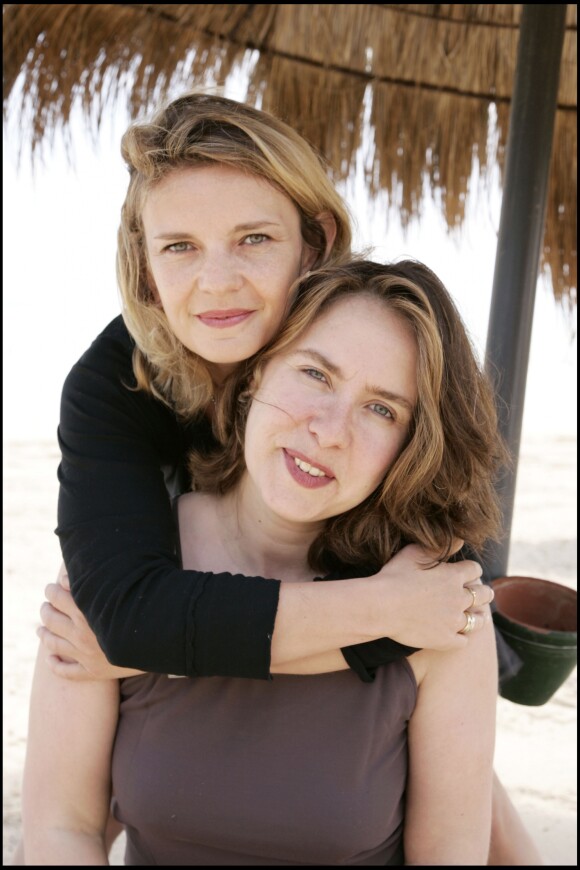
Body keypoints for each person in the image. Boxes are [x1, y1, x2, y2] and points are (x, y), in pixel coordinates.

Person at [19, 91, 541, 865]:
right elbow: (126, 625)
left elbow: (438, 619)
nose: (218, 283)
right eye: (180, 247)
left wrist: (409, 621)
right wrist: (384, 615)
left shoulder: (422, 572)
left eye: (254, 238)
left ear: (315, 242)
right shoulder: (116, 387)